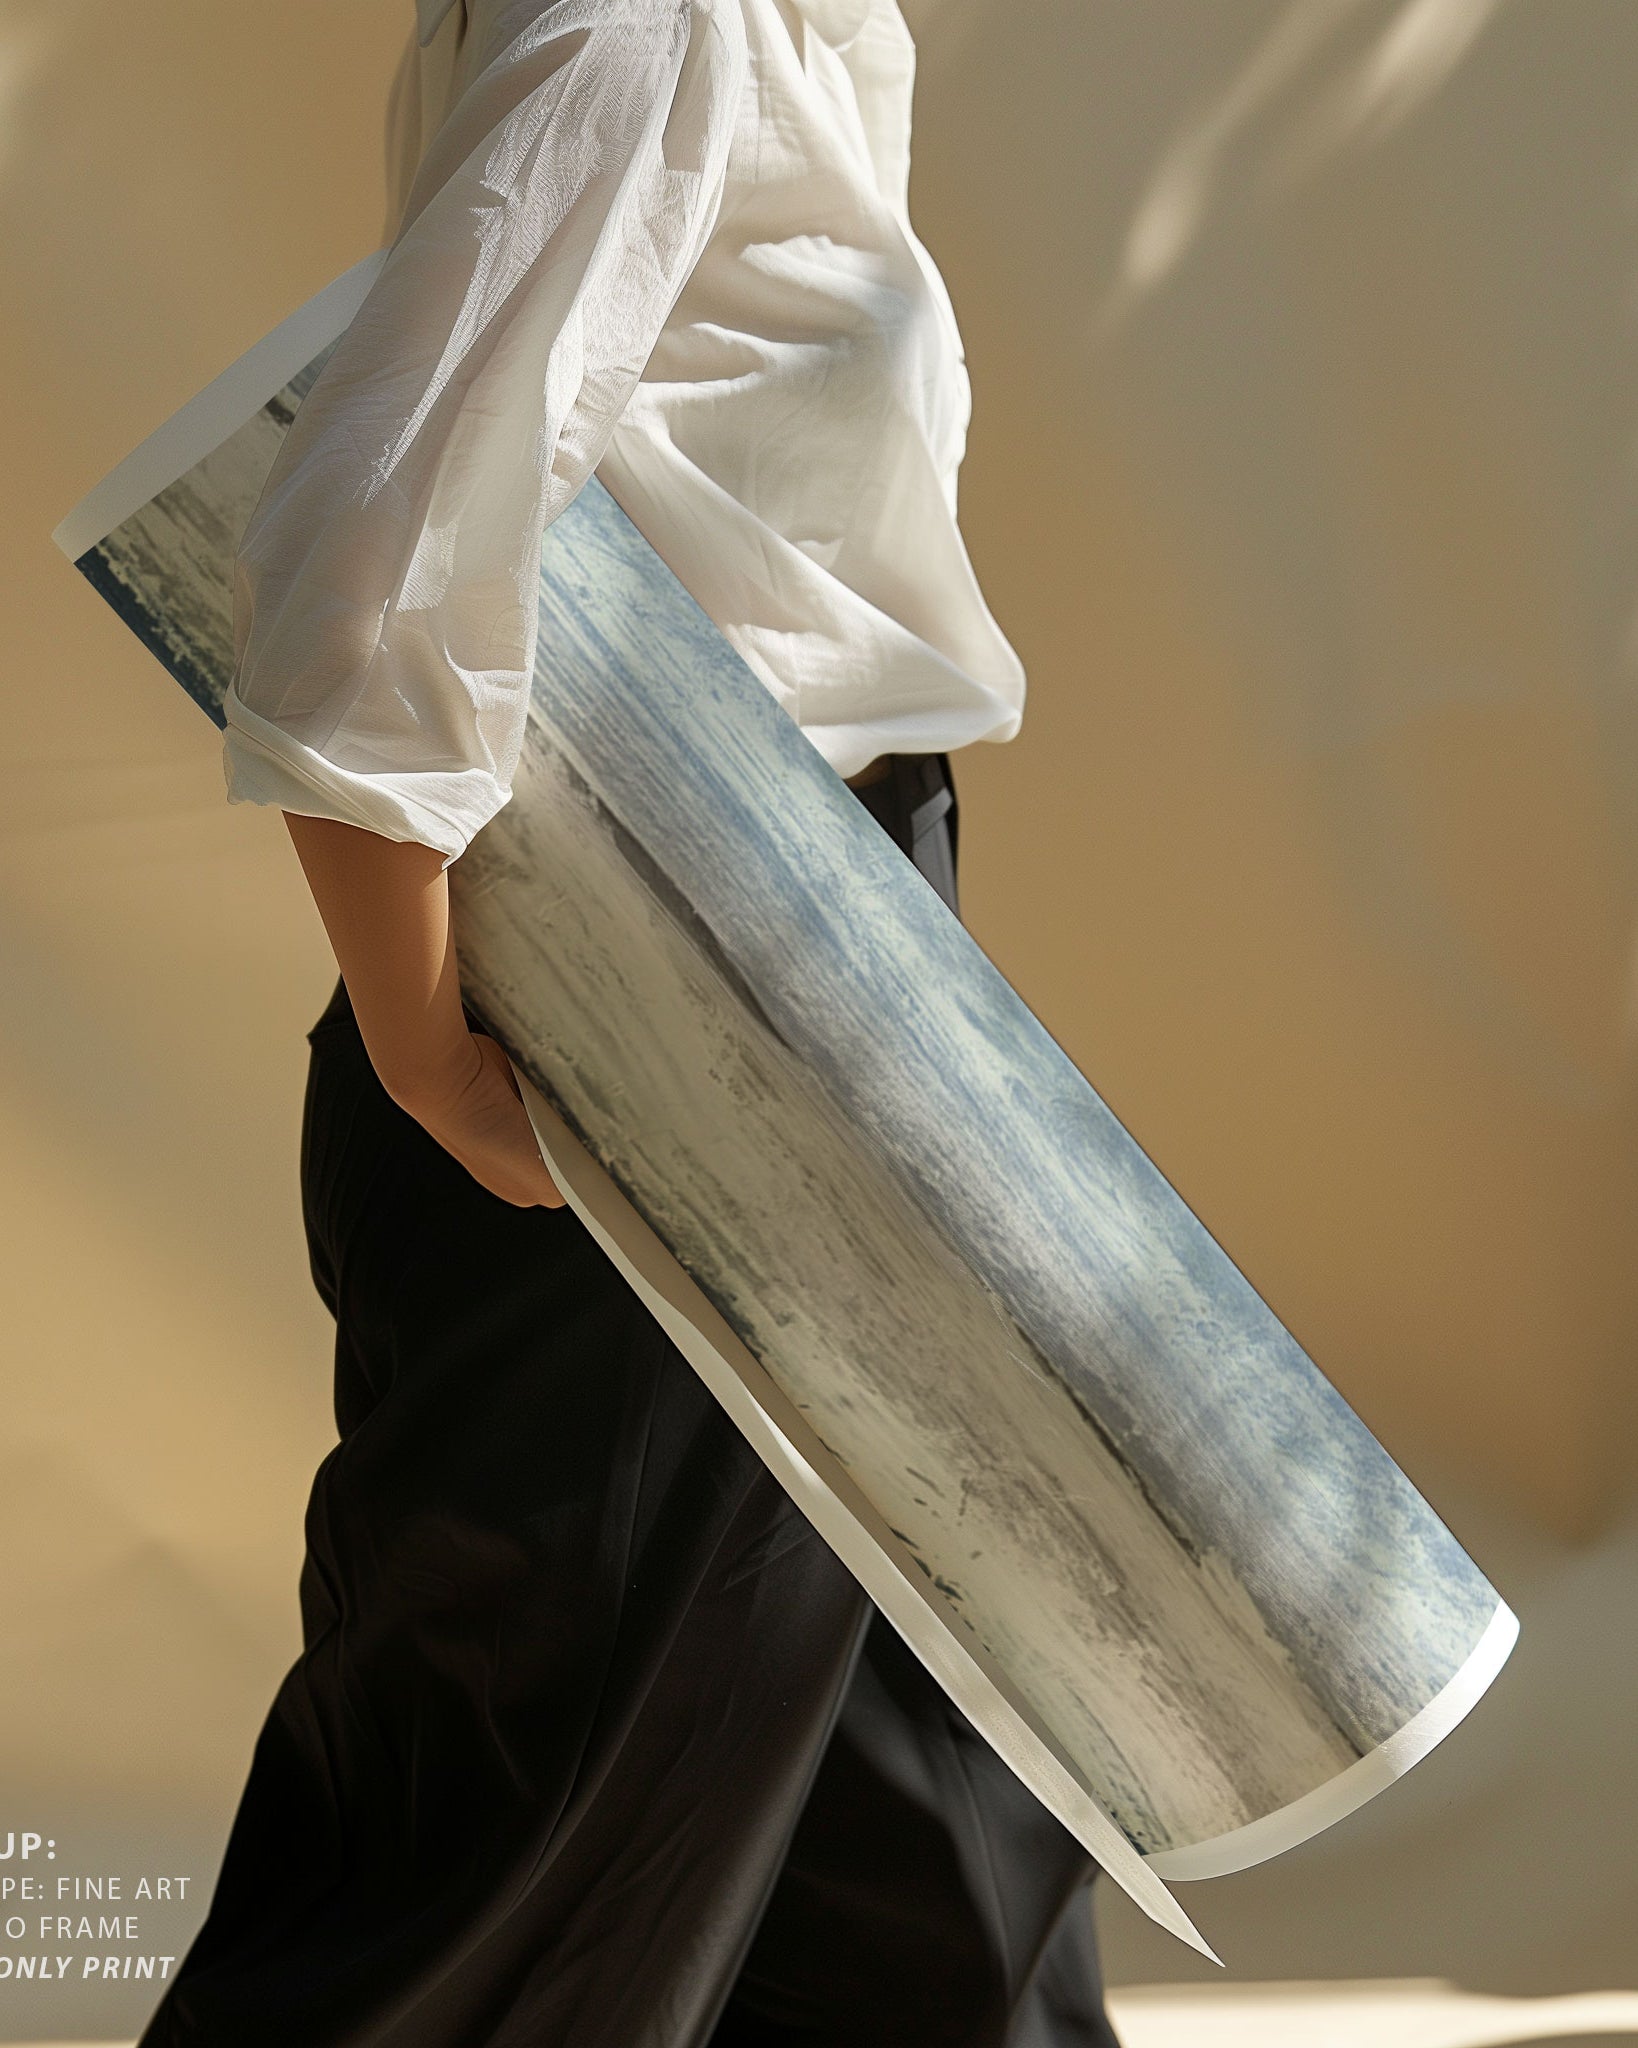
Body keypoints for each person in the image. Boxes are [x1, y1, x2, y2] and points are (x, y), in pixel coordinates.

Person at [137, 1, 1122, 2042]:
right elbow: (371, 535)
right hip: (651, 982)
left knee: (936, 1826)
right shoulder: (648, 17)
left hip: (830, 936)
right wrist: (428, 1050)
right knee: (489, 1861)